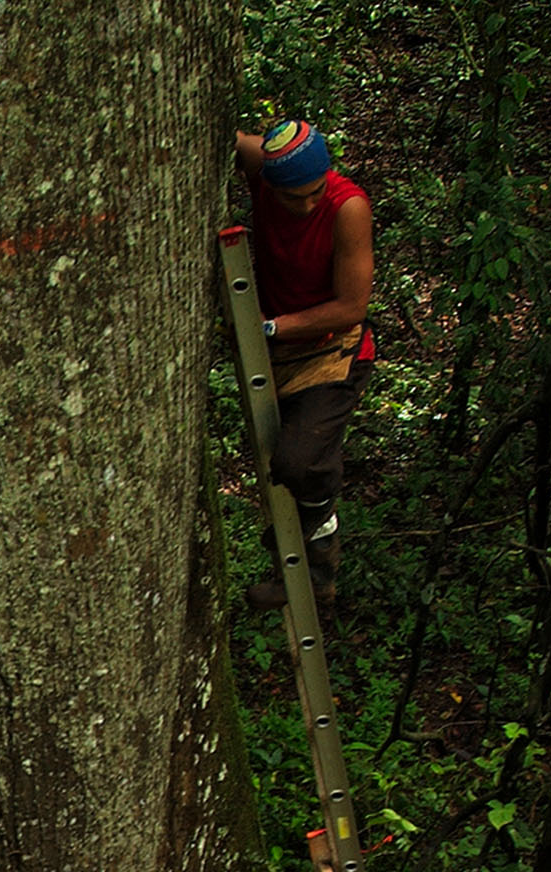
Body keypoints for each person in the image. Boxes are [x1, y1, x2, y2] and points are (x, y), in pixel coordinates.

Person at [233, 118, 376, 606]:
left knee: (301, 459)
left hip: (334, 348)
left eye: (314, 192)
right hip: (281, 351)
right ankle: (295, 572)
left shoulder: (346, 207)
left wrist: (271, 327)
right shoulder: (263, 170)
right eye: (294, 196)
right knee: (284, 465)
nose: (307, 204)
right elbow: (233, 142)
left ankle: (318, 572)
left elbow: (352, 306)